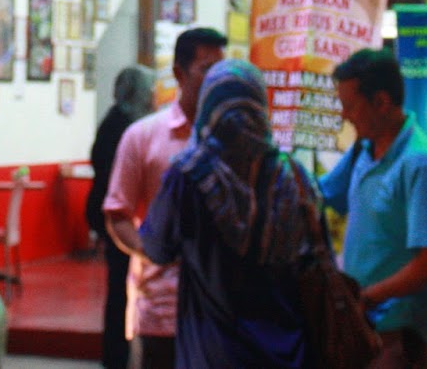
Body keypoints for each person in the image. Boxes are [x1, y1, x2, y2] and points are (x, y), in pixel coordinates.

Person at [139, 59, 336, 368]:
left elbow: (156, 247)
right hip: (289, 351)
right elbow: (319, 255)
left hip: (211, 352)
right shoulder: (295, 176)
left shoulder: (189, 175)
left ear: (208, 106)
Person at [102, 27, 227, 369]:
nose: (216, 80)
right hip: (162, 305)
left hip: (224, 306)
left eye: (221, 70)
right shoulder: (142, 137)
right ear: (178, 73)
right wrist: (152, 250)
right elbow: (117, 214)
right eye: (206, 69)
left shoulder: (234, 136)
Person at [320, 48, 427, 369]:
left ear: (381, 102)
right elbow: (322, 193)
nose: (344, 115)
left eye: (350, 106)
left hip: (406, 335)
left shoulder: (420, 165)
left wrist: (368, 297)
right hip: (372, 326)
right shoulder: (365, 149)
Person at [88, 64, 155, 369]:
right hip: (117, 217)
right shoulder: (124, 126)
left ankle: (119, 355)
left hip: (114, 214)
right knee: (119, 290)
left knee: (120, 288)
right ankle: (116, 357)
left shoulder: (117, 121)